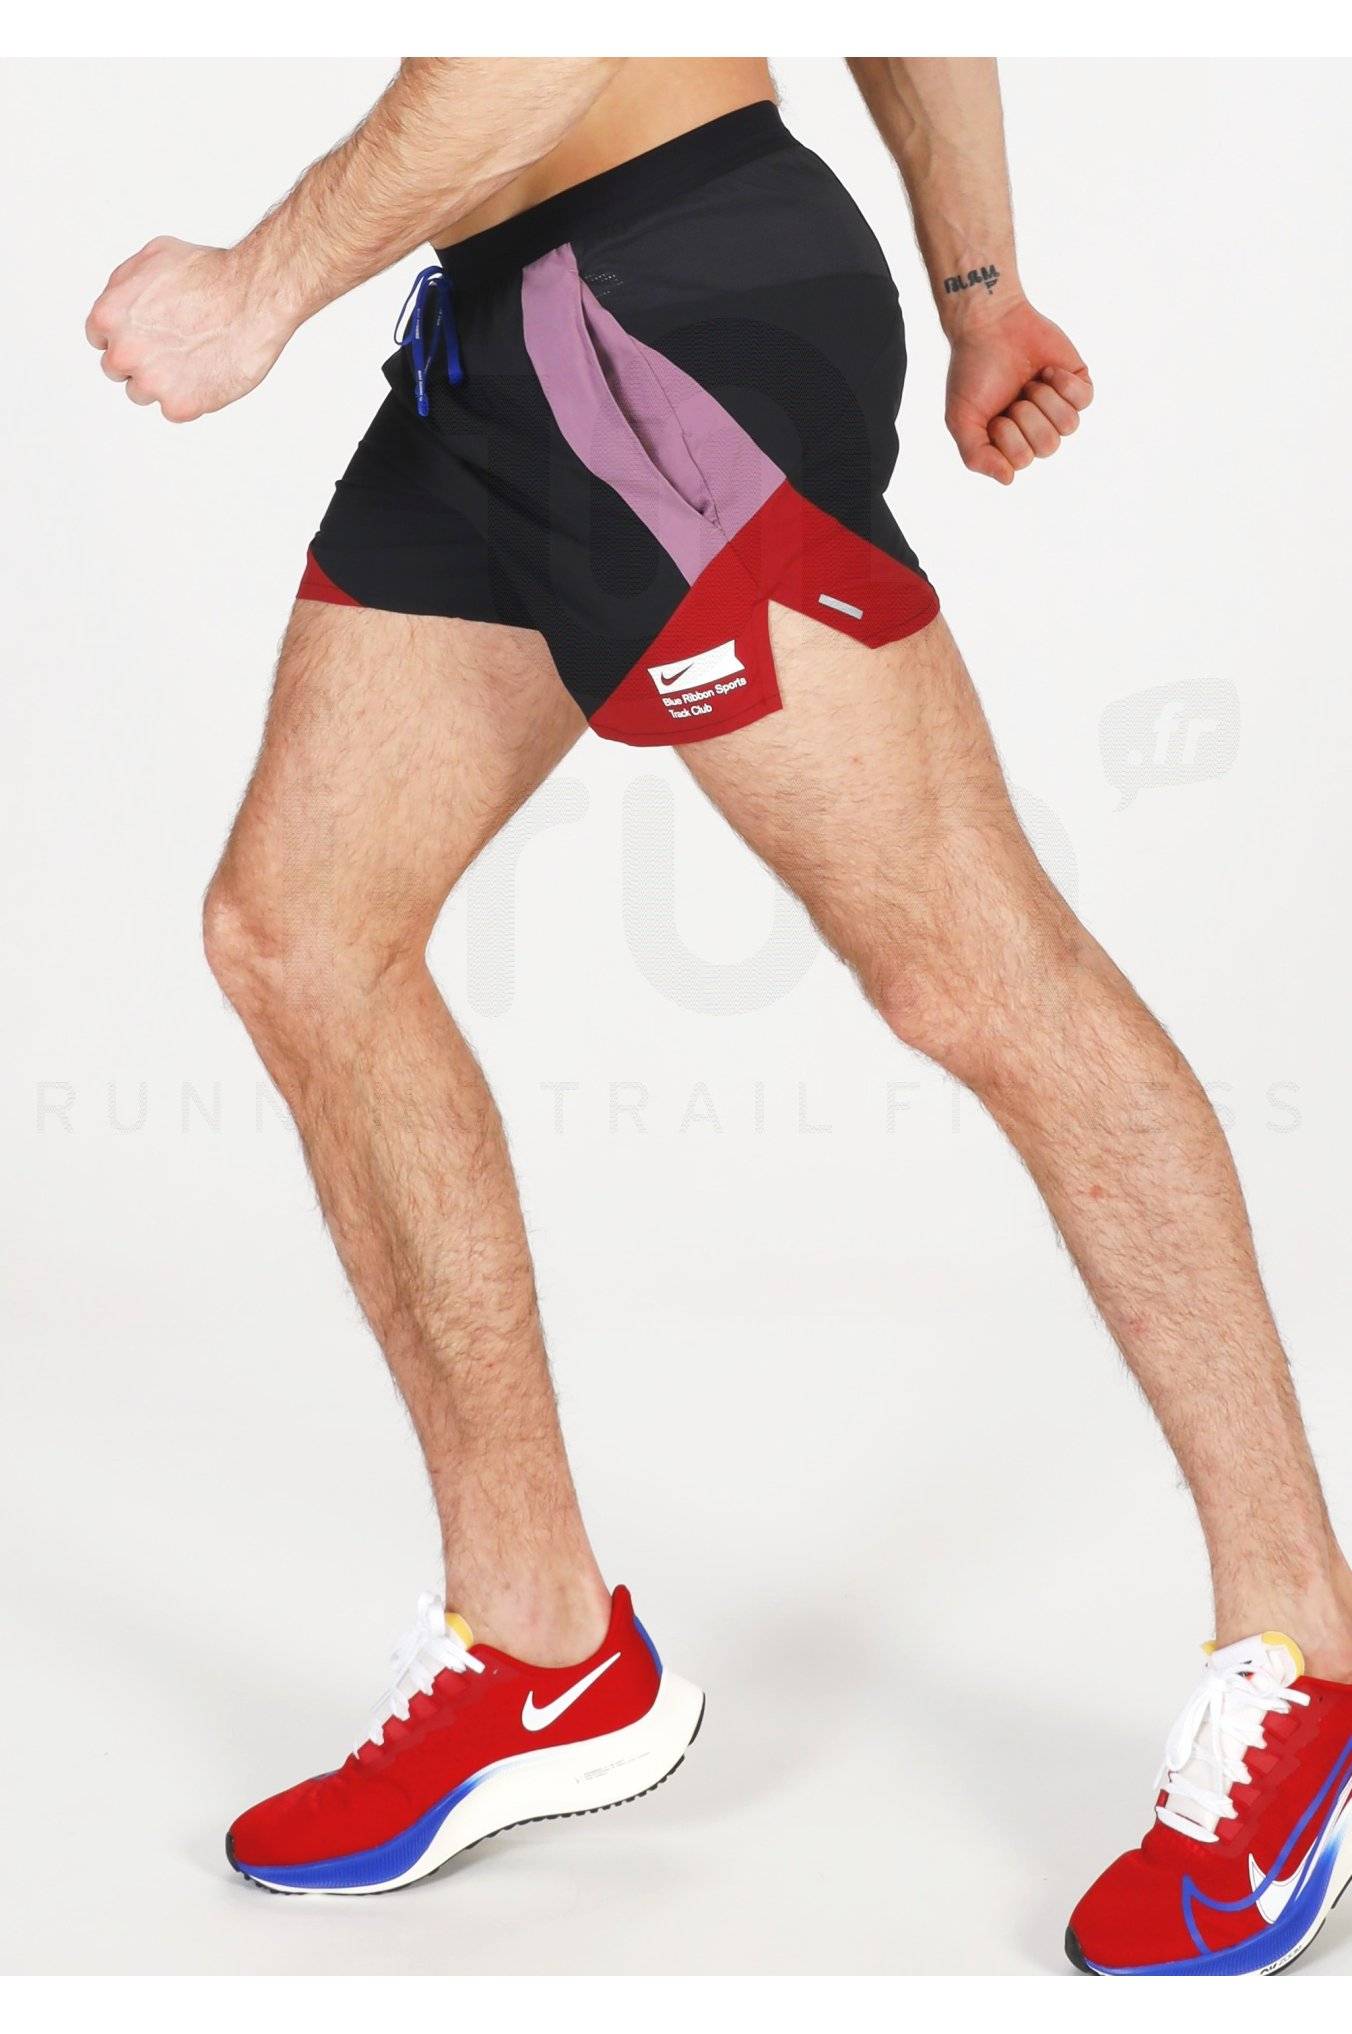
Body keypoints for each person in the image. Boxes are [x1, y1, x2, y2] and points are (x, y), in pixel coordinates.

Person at [86, 57, 1352, 1972]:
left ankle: (1309, 1656)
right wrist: (980, 282)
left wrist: (258, 285)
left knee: (971, 968)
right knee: (301, 932)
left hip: (654, 320)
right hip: (507, 323)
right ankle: (543, 1643)